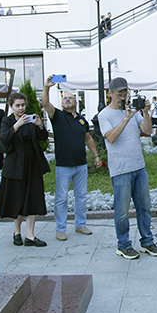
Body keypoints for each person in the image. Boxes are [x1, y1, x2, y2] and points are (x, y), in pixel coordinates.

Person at [98, 77, 157, 259]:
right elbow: (110, 138)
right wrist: (126, 119)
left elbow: (147, 130)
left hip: (139, 167)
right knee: (122, 211)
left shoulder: (133, 111)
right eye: (119, 95)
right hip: (120, 170)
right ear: (110, 93)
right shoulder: (104, 115)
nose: (122, 98)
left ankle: (147, 242)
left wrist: (146, 112)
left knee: (144, 207)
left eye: (125, 94)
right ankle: (123, 245)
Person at [42, 76, 102, 241]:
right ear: (62, 102)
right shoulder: (58, 116)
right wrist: (47, 87)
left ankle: (80, 225)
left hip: (81, 165)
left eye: (70, 98)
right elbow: (46, 103)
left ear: (76, 102)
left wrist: (95, 156)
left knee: (81, 196)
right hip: (63, 166)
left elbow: (88, 138)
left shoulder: (82, 120)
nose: (67, 100)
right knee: (61, 198)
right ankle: (60, 228)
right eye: (65, 98)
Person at [0, 92, 50, 247]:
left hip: (32, 165)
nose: (20, 108)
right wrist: (16, 126)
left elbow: (43, 138)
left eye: (23, 105)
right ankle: (17, 232)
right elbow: (4, 139)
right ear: (11, 106)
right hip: (15, 167)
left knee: (33, 199)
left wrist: (40, 125)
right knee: (17, 199)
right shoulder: (7, 121)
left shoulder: (31, 119)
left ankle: (30, 236)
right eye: (17, 105)